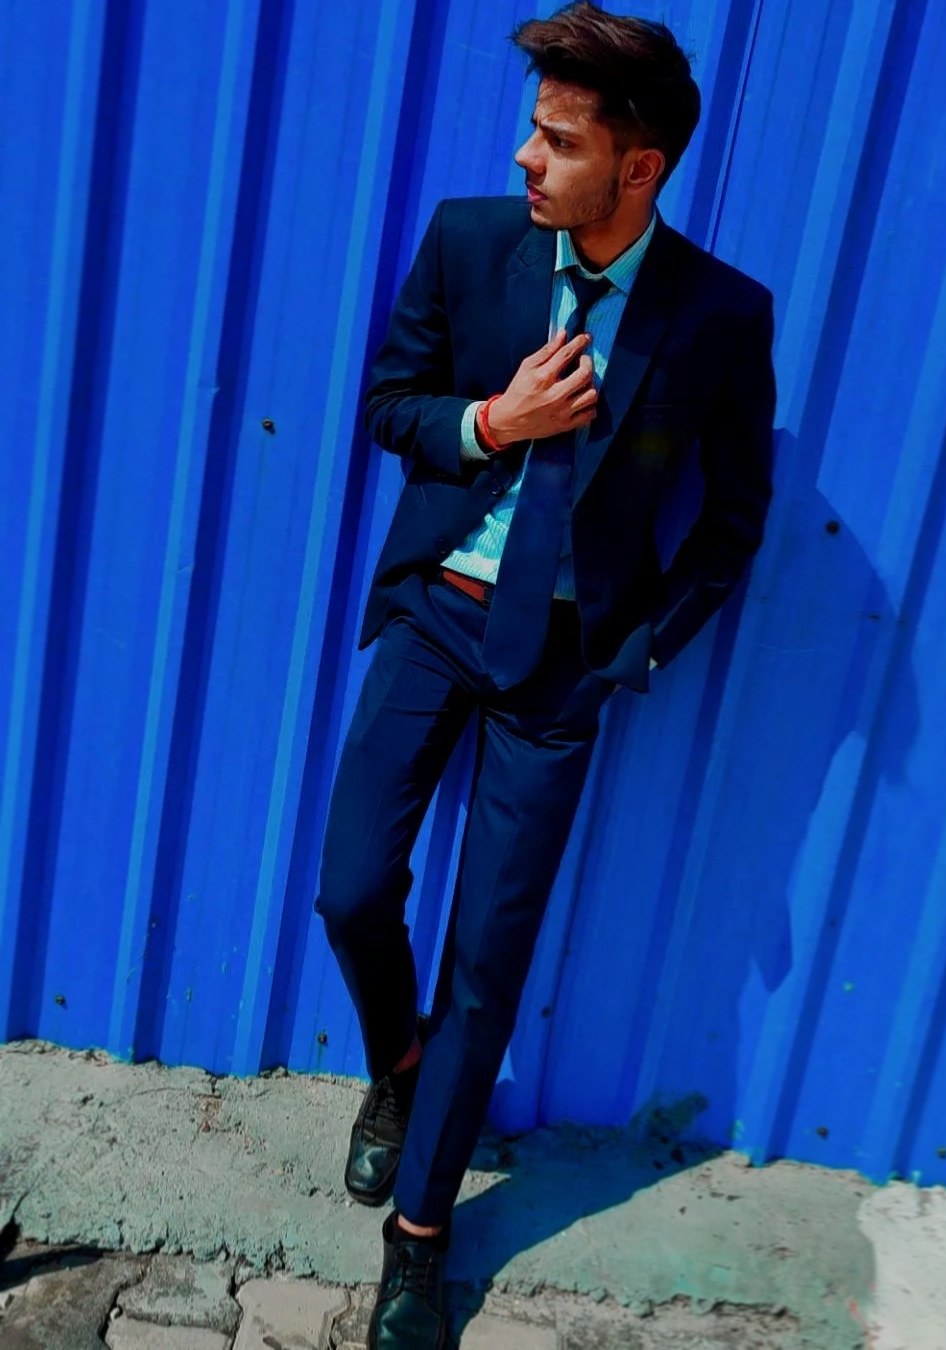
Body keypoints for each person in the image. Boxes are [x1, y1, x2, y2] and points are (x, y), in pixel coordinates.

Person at [314, 2, 776, 1344]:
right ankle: (399, 1066)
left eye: (559, 139)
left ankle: (420, 1236)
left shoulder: (717, 315)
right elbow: (389, 404)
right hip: (438, 613)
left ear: (638, 167)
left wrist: (635, 650)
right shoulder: (471, 242)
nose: (526, 156)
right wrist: (492, 421)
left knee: (488, 960)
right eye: (533, 128)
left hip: (564, 664)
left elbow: (733, 520)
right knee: (352, 888)